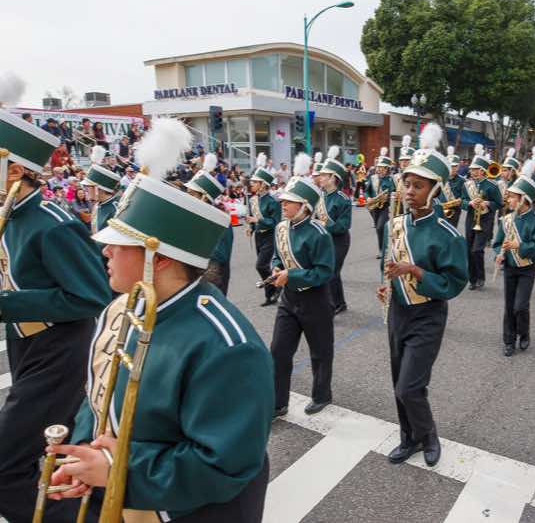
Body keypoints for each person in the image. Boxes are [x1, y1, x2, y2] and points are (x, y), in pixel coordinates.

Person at [47, 118, 274, 522]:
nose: (105, 252)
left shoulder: (226, 346)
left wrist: (120, 470)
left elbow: (224, 464)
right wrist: (85, 455)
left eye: (119, 245)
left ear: (160, 257)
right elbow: (97, 396)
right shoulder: (122, 308)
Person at [0, 108, 111, 522]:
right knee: (54, 452)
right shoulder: (11, 216)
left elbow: (92, 296)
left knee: (6, 465)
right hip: (25, 345)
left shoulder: (53, 224)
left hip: (60, 349)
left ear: (14, 170)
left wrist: (7, 304)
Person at [376, 123, 468, 467]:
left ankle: (428, 436)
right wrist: (387, 284)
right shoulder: (395, 224)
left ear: (435, 190)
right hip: (398, 312)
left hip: (427, 316)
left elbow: (454, 282)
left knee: (409, 387)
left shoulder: (448, 235)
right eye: (407, 184)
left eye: (419, 186)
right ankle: (408, 438)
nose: (410, 191)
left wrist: (415, 272)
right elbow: (389, 263)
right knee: (398, 382)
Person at [269, 162, 335, 418]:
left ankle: (322, 395)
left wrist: (292, 275)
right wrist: (276, 268)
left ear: (304, 205)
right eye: (283, 200)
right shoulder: (280, 228)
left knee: (320, 351)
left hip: (315, 300)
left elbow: (324, 272)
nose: (283, 204)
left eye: (289, 201)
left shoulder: (320, 234)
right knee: (279, 350)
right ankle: (278, 403)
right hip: (289, 299)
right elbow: (277, 256)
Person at [492, 174, 535, 357]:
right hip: (510, 268)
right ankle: (508, 341)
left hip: (527, 269)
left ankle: (524, 333)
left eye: (512, 197)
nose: (508, 200)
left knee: (520, 306)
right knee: (509, 305)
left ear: (523, 199)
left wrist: (520, 245)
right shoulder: (506, 219)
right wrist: (498, 255)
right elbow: (497, 243)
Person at [187, 153, 235, 296]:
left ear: (204, 197)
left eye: (192, 194)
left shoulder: (221, 220)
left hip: (213, 278)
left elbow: (221, 255)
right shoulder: (196, 217)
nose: (187, 197)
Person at [461, 144, 503, 290]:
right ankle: (472, 279)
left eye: (474, 169)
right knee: (469, 250)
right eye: (471, 169)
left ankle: (480, 277)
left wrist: (488, 203)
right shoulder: (467, 185)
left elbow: (499, 203)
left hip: (485, 221)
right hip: (470, 220)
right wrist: (469, 203)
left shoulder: (492, 185)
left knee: (477, 250)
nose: (471, 171)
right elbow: (462, 201)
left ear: (482, 170)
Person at [318, 146, 353, 315]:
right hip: (325, 239)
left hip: (339, 240)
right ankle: (339, 302)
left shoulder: (343, 200)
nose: (320, 178)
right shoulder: (321, 197)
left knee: (332, 272)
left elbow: (343, 226)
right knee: (330, 272)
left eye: (324, 175)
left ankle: (334, 304)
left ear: (333, 178)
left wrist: (324, 224)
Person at [247, 153, 282, 306]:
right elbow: (252, 217)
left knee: (260, 265)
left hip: (269, 236)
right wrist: (251, 227)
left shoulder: (273, 201)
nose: (251, 184)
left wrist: (258, 220)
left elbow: (275, 223)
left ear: (263, 184)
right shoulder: (253, 200)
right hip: (258, 237)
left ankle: (275, 287)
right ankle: (271, 294)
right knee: (263, 267)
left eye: (255, 182)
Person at [83, 146, 121, 236]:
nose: (85, 190)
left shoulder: (116, 211)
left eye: (87, 187)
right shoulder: (98, 205)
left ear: (97, 189)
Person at [365, 151, 395, 258]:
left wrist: (388, 196)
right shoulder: (373, 178)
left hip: (385, 207)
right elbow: (367, 191)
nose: (379, 169)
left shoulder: (391, 179)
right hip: (374, 207)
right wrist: (368, 198)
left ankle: (384, 249)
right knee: (378, 229)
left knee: (380, 226)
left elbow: (394, 192)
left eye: (382, 167)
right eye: (378, 167)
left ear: (387, 169)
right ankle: (381, 249)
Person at [442, 146, 465, 228]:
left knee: (451, 229)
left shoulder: (462, 180)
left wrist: (460, 200)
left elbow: (465, 196)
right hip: (441, 209)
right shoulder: (441, 179)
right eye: (450, 166)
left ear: (458, 167)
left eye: (454, 166)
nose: (452, 168)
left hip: (454, 210)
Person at [497, 148, 520, 226]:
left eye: (505, 170)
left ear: (512, 172)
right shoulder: (501, 183)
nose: (501, 173)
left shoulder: (517, 185)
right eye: (502, 170)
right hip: (501, 214)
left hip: (513, 216)